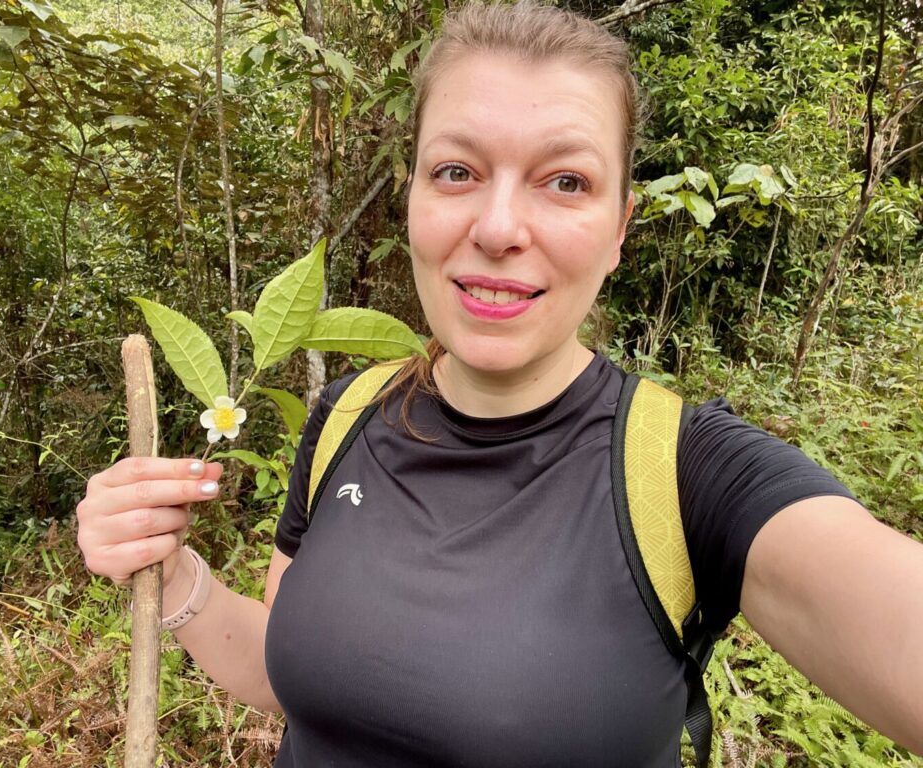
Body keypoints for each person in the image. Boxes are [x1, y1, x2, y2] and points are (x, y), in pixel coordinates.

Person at [75, 3, 923, 765]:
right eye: (456, 171)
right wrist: (172, 570)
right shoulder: (348, 417)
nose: (499, 228)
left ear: (621, 228)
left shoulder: (687, 472)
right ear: (410, 195)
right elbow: (289, 675)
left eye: (566, 182)